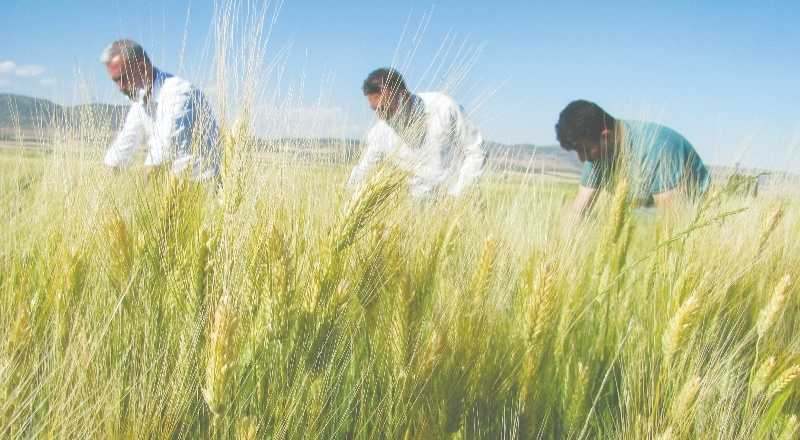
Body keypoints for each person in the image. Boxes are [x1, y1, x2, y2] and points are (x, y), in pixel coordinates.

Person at [555, 100, 709, 219]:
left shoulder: (658, 149)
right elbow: (578, 210)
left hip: (695, 229)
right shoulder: (597, 154)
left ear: (606, 137)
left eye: (585, 150)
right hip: (640, 236)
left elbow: (671, 224)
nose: (582, 159)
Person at [348, 68, 486, 199]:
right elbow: (363, 169)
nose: (381, 115)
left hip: (459, 204)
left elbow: (476, 151)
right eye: (375, 110)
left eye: (385, 108)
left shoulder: (444, 108)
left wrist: (456, 195)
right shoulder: (379, 133)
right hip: (418, 211)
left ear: (404, 95)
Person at [102, 39, 220, 181]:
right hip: (172, 191)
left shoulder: (179, 93)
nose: (120, 88)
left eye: (123, 78)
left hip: (204, 189)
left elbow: (161, 155)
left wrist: (139, 201)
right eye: (116, 81)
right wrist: (100, 192)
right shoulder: (141, 101)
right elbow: (124, 145)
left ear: (143, 69)